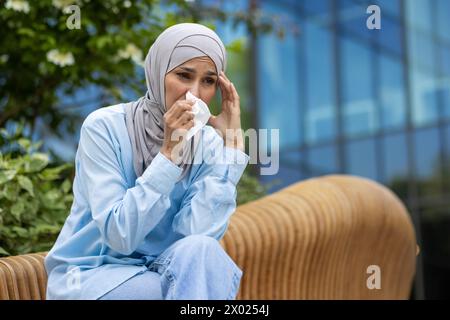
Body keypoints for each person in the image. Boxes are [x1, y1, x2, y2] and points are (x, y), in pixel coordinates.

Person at [44, 22, 249, 300]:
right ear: (157, 71)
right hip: (94, 273)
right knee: (153, 290)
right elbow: (120, 235)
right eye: (183, 75)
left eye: (208, 81)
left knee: (203, 250)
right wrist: (169, 155)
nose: (195, 94)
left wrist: (231, 148)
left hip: (167, 272)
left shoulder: (208, 143)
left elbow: (195, 236)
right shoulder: (104, 127)